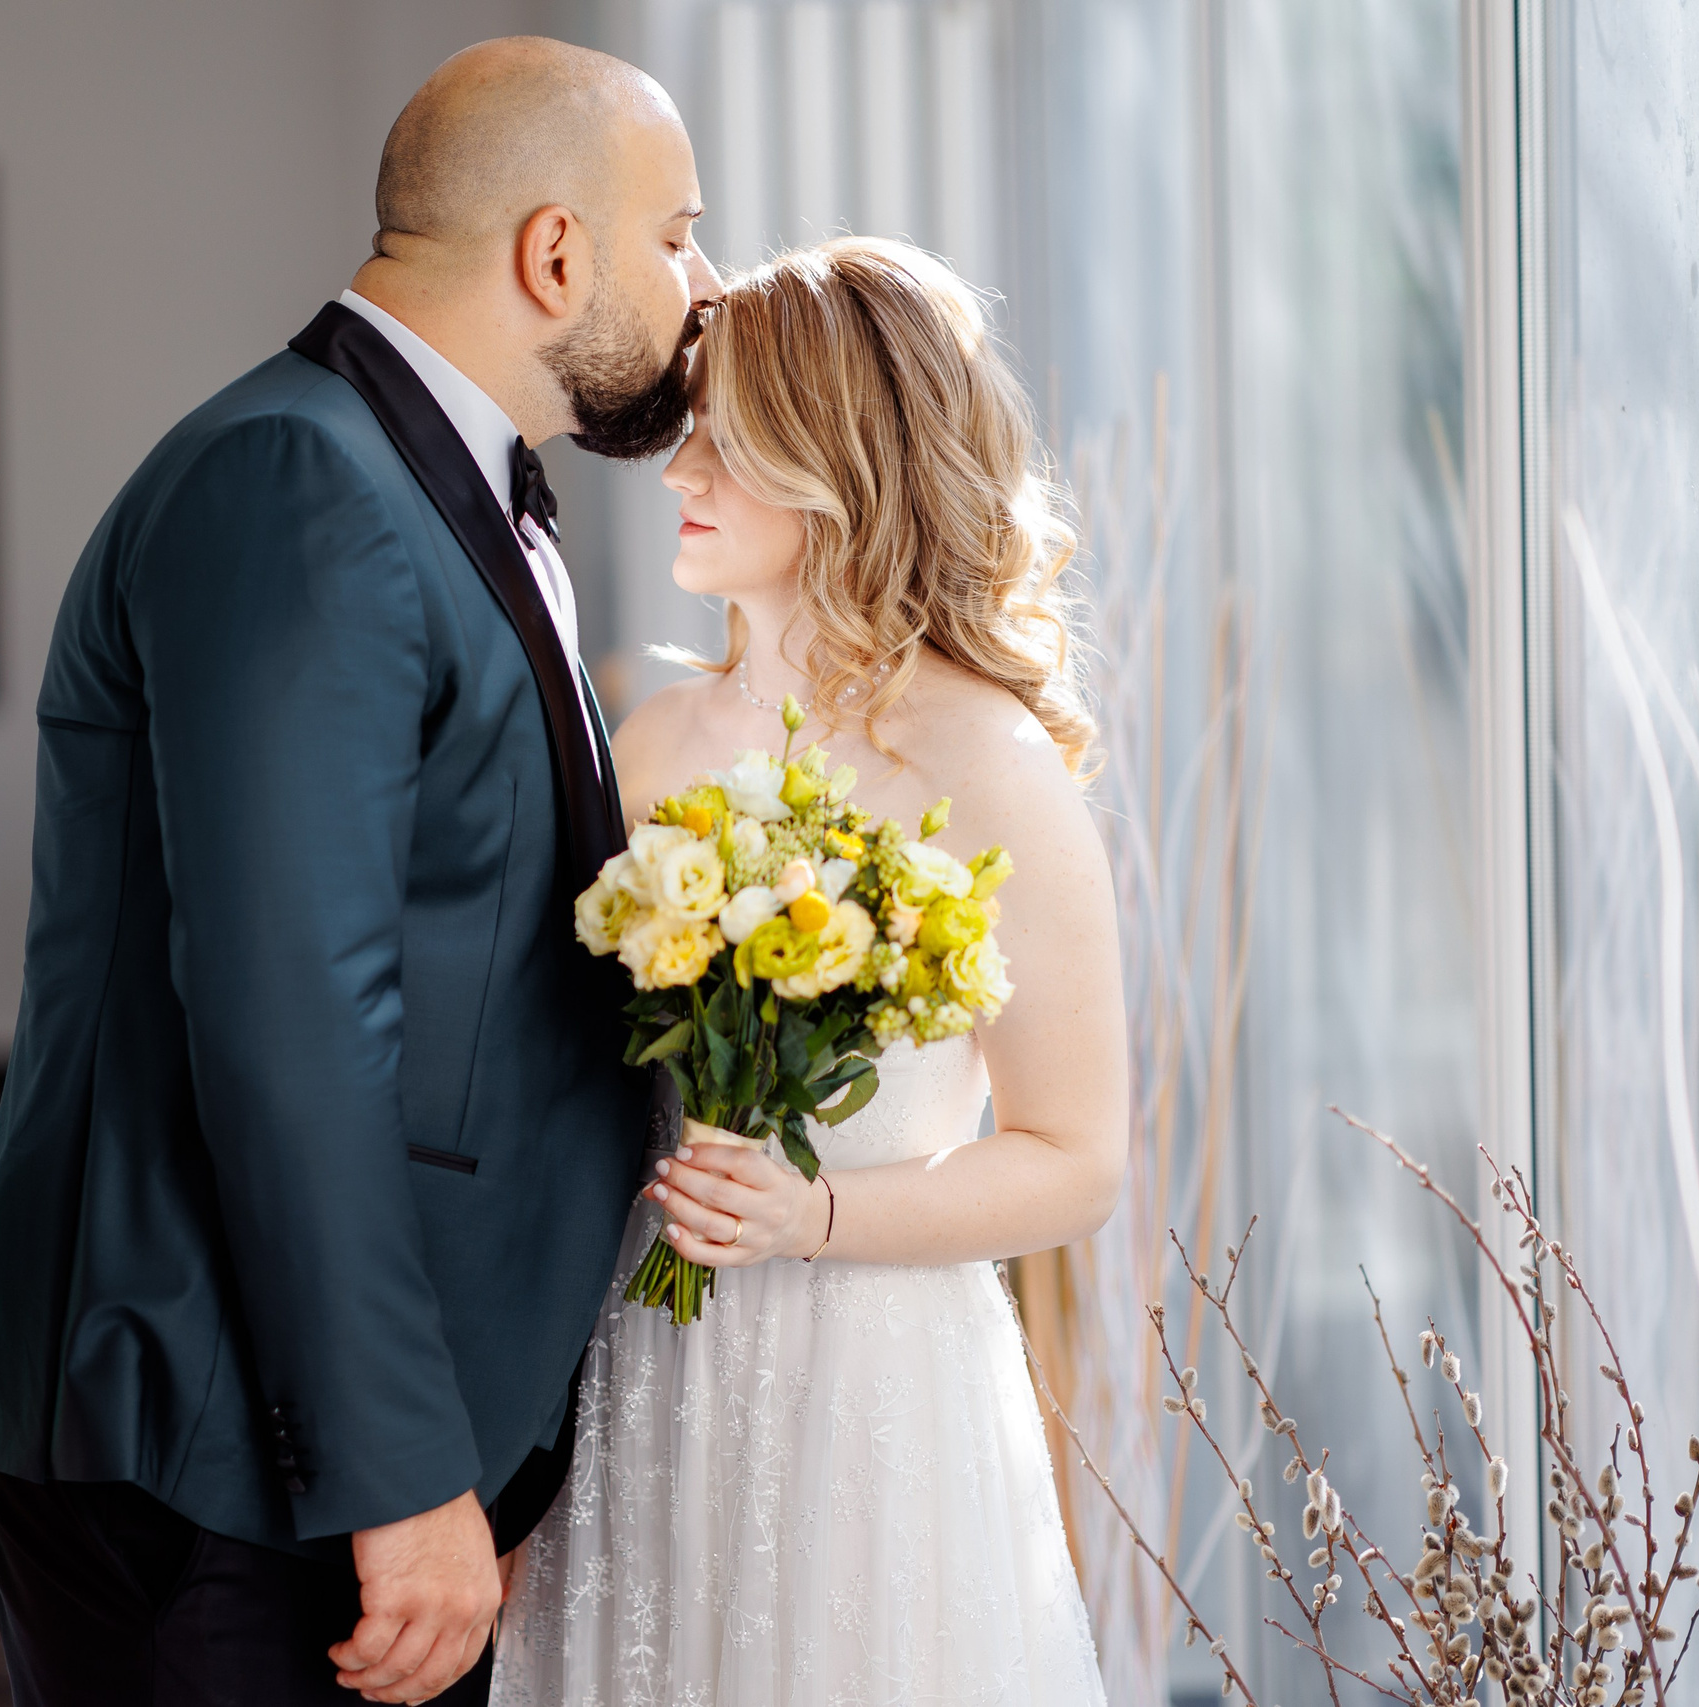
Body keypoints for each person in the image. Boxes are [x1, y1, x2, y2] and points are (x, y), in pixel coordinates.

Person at [0, 37, 723, 1707]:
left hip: (310, 1442)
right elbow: (294, 1019)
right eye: (676, 236)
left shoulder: (414, 479)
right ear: (554, 252)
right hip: (221, 1444)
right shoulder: (299, 480)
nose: (702, 285)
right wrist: (399, 1469)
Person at [492, 238, 1125, 1705]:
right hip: (652, 1368)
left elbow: (1077, 1160)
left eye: (726, 441)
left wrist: (817, 1212)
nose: (678, 470)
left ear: (837, 461)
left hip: (878, 1401)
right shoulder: (652, 742)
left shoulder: (992, 764)